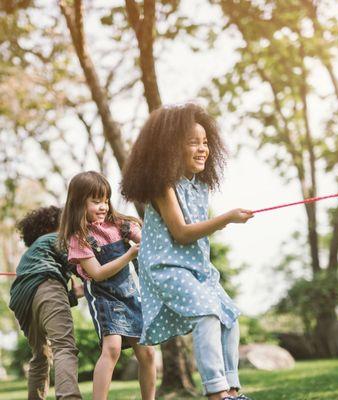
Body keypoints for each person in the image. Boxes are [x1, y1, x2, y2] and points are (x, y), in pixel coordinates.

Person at [120, 102, 254, 400]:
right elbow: (181, 233)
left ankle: (231, 392)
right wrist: (227, 219)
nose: (202, 149)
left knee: (229, 317)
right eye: (193, 142)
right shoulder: (163, 185)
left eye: (205, 142)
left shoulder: (199, 187)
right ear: (171, 148)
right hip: (166, 267)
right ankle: (216, 392)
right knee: (207, 314)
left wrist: (224, 219)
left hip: (197, 269)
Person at [58, 171, 156, 400]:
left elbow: (147, 241)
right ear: (79, 203)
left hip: (130, 295)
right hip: (105, 297)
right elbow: (98, 274)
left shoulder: (120, 225)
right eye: (95, 201)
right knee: (112, 349)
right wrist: (130, 254)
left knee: (148, 353)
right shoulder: (79, 238)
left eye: (105, 200)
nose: (103, 206)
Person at [9, 206, 83, 400]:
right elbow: (79, 263)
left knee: (41, 355)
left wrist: (73, 295)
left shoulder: (32, 253)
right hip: (46, 285)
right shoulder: (54, 238)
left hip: (21, 299)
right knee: (64, 346)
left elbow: (42, 302)